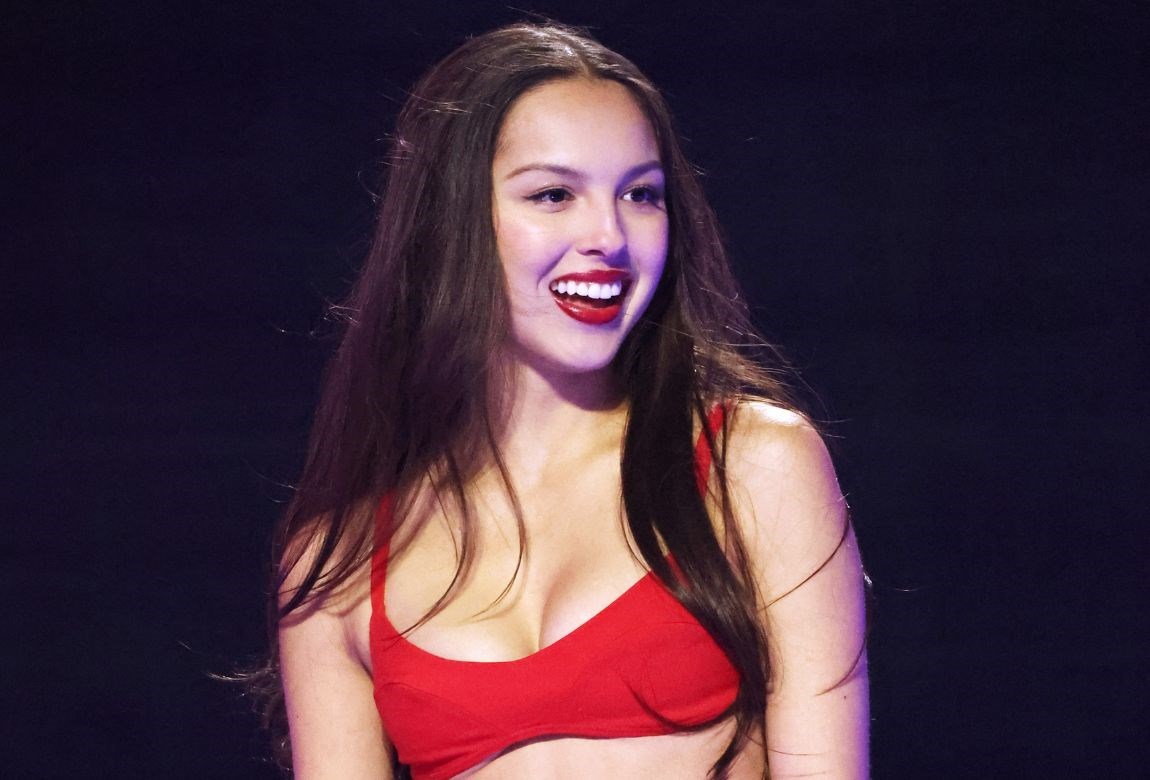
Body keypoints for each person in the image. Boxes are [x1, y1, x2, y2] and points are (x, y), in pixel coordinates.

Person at [263, 21, 868, 780]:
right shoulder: (337, 566)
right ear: (449, 221)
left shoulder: (753, 467)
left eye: (641, 195)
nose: (608, 236)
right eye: (553, 194)